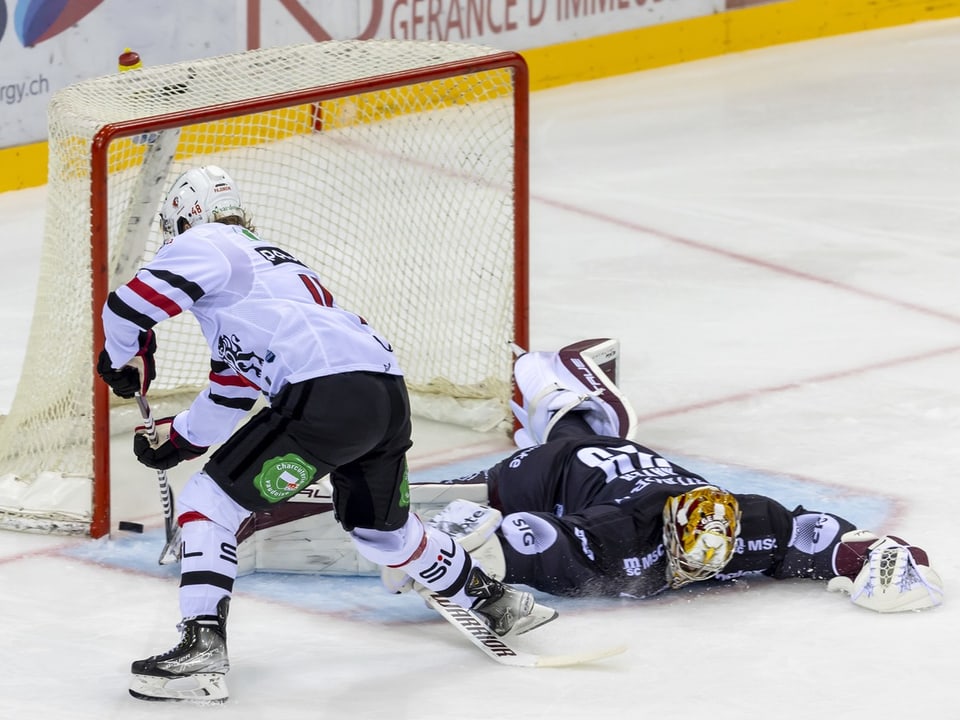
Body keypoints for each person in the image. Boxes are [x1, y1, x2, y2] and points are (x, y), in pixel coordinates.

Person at [96, 165, 554, 704]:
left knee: (209, 504)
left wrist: (123, 357)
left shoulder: (209, 242)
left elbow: (125, 308)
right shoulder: (268, 278)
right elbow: (232, 390)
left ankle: (202, 648)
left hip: (324, 395)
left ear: (185, 218)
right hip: (382, 396)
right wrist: (178, 442)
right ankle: (493, 600)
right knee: (382, 532)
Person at [386, 338, 944, 615]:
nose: (696, 570)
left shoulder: (751, 523)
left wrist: (893, 561)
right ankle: (550, 390)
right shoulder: (620, 531)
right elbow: (548, 544)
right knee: (512, 476)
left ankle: (575, 403)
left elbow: (838, 542)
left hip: (621, 462)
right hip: (556, 474)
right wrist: (466, 553)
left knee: (588, 436)